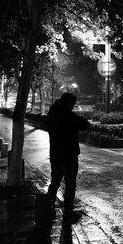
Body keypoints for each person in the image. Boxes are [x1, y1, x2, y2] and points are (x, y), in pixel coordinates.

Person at [46, 92, 91, 223]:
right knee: (70, 185)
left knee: (54, 182)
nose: (73, 107)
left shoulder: (52, 113)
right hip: (68, 156)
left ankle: (48, 209)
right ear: (69, 103)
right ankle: (68, 214)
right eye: (73, 104)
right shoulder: (68, 115)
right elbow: (85, 124)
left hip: (55, 155)